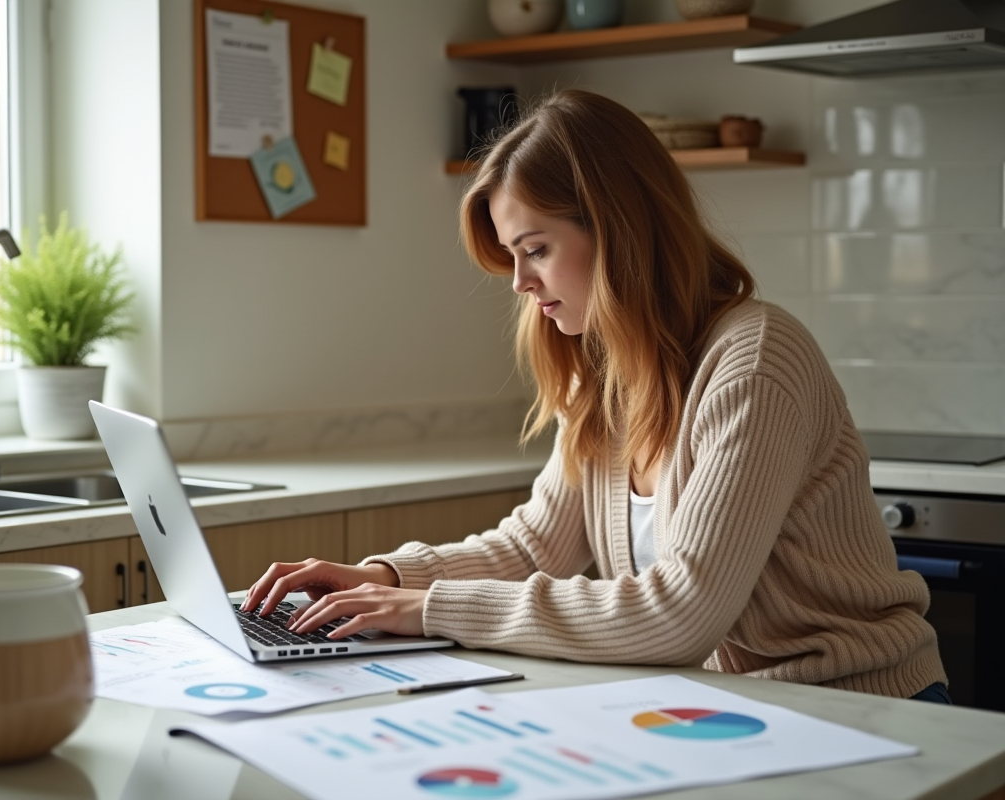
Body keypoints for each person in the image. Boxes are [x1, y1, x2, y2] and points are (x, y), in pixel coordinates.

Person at [243, 88, 949, 703]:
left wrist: (428, 607)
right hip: (728, 707)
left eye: (536, 249)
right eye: (512, 256)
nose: (519, 282)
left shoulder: (755, 361)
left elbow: (681, 613)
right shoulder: (607, 371)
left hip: (859, 708)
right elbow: (533, 546)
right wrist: (381, 577)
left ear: (618, 231)